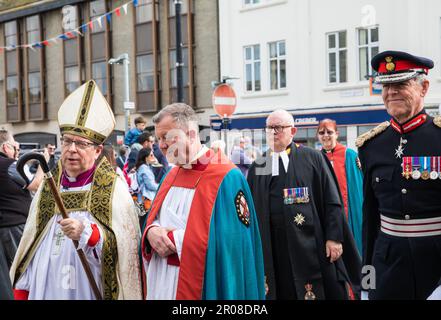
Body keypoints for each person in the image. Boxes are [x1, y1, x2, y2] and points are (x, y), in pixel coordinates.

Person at [9, 80, 142, 300]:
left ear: (98, 150)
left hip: (87, 288)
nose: (71, 149)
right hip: (45, 288)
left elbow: (125, 249)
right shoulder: (49, 186)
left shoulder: (113, 188)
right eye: (67, 141)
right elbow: (30, 245)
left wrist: (89, 235)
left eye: (81, 144)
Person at [141, 103, 265, 300]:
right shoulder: (170, 175)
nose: (161, 145)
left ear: (190, 134)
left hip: (206, 285)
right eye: (158, 139)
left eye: (166, 137)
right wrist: (151, 233)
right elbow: (153, 218)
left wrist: (175, 241)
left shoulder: (226, 176)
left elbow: (233, 241)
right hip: (163, 282)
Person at [247, 109, 361, 300]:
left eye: (278, 128)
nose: (273, 132)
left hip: (311, 243)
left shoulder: (312, 158)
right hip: (273, 245)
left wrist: (334, 237)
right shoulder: (258, 165)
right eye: (269, 128)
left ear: (292, 131)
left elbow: (332, 200)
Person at [356, 51, 441, 300]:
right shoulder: (371, 145)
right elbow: (370, 223)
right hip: (387, 267)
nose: (391, 92)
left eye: (400, 84)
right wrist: (366, 283)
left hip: (435, 266)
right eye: (386, 85)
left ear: (424, 87)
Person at [0, 129, 47, 300]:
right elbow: (34, 184)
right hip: (15, 225)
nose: (17, 150)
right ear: (6, 148)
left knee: (6, 276)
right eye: (15, 146)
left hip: (4, 224)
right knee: (25, 268)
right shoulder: (10, 165)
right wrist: (43, 163)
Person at [317, 119, 364, 254]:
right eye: (321, 132)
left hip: (349, 212)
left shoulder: (349, 155)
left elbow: (358, 188)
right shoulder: (316, 157)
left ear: (337, 134)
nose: (325, 135)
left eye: (329, 132)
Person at [135, 147, 159, 213]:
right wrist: (160, 186)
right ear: (146, 158)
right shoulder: (144, 168)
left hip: (143, 198)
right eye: (151, 155)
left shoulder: (143, 167)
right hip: (148, 198)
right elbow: (150, 185)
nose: (153, 157)